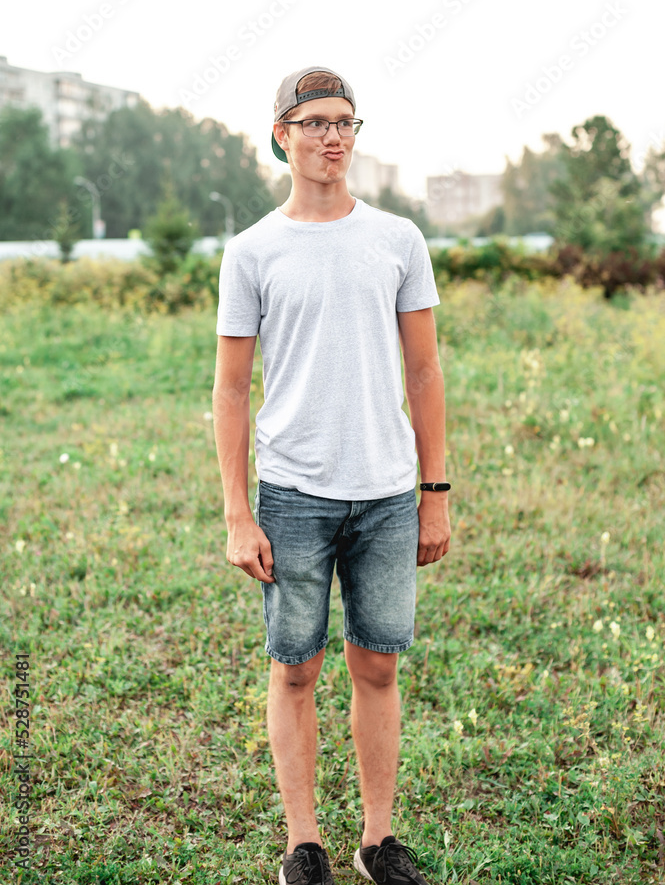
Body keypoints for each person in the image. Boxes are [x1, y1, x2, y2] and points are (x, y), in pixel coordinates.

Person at [212, 66, 451, 885]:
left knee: (376, 664)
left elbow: (423, 373)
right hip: (293, 496)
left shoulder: (397, 239)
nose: (332, 136)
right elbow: (232, 389)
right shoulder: (252, 251)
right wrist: (238, 514)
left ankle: (377, 841)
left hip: (386, 494)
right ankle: (303, 844)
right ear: (281, 135)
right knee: (295, 668)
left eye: (344, 121)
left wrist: (434, 493)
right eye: (313, 122)